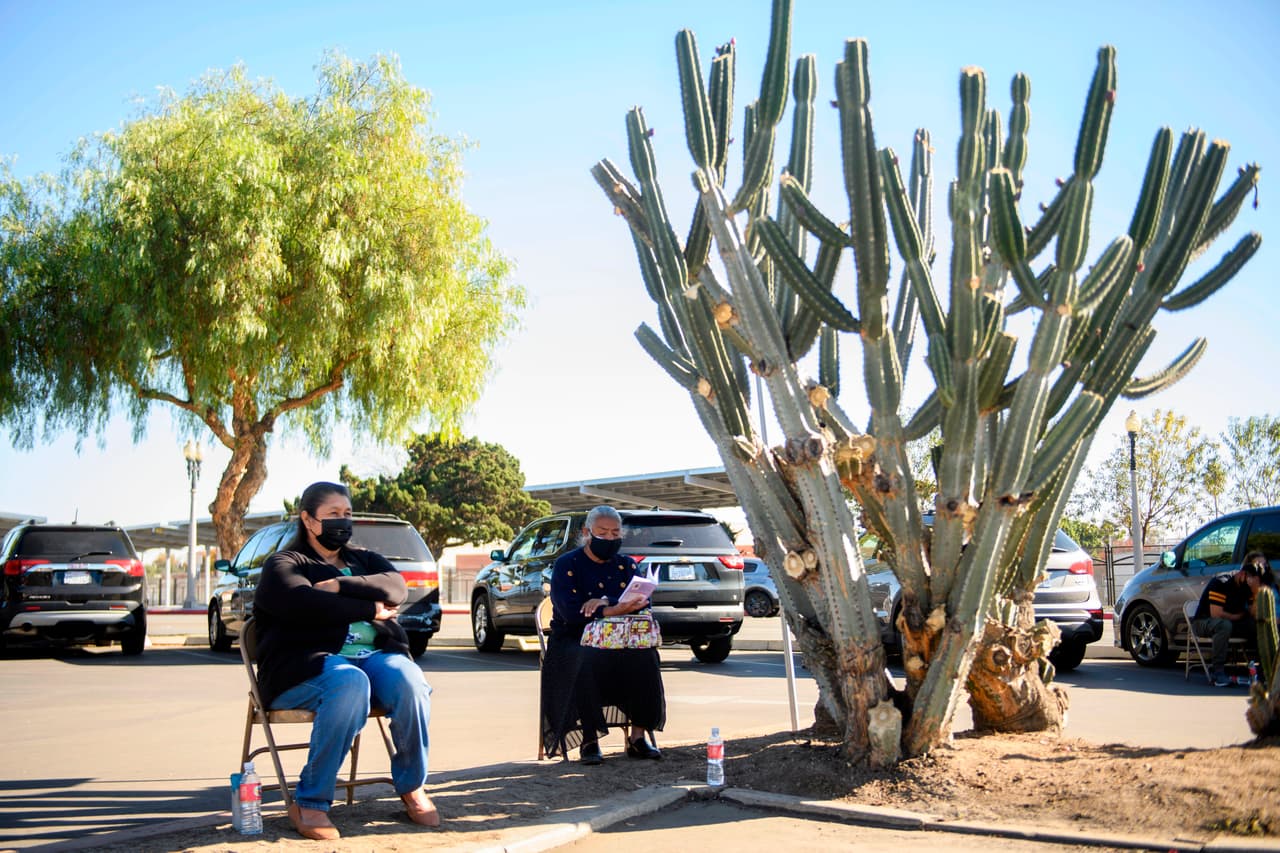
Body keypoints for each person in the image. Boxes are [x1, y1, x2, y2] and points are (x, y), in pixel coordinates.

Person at [253, 481, 439, 840]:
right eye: (333, 514)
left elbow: (398, 587)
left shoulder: (362, 560)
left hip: (374, 659)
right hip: (305, 669)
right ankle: (311, 801)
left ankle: (412, 785)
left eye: (347, 514)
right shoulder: (285, 564)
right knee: (350, 682)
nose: (343, 521)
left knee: (410, 680)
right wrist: (370, 607)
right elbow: (303, 604)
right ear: (308, 520)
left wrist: (340, 585)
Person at [540, 505, 666, 764]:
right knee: (586, 658)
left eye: (615, 533)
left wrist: (604, 602)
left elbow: (643, 603)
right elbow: (571, 612)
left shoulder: (626, 565)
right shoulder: (567, 565)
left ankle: (638, 737)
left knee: (646, 658)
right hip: (574, 637)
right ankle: (589, 739)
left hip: (621, 637)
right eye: (603, 533)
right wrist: (615, 608)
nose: (609, 539)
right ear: (587, 533)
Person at [1192, 555, 1264, 687]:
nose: (1251, 583)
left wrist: (1255, 592)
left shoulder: (1248, 588)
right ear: (1243, 574)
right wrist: (1239, 616)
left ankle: (1261, 670)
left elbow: (1253, 613)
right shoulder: (1221, 582)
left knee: (1257, 624)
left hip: (1230, 623)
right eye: (1251, 580)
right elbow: (1216, 614)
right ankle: (1218, 671)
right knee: (1224, 625)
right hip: (1204, 621)